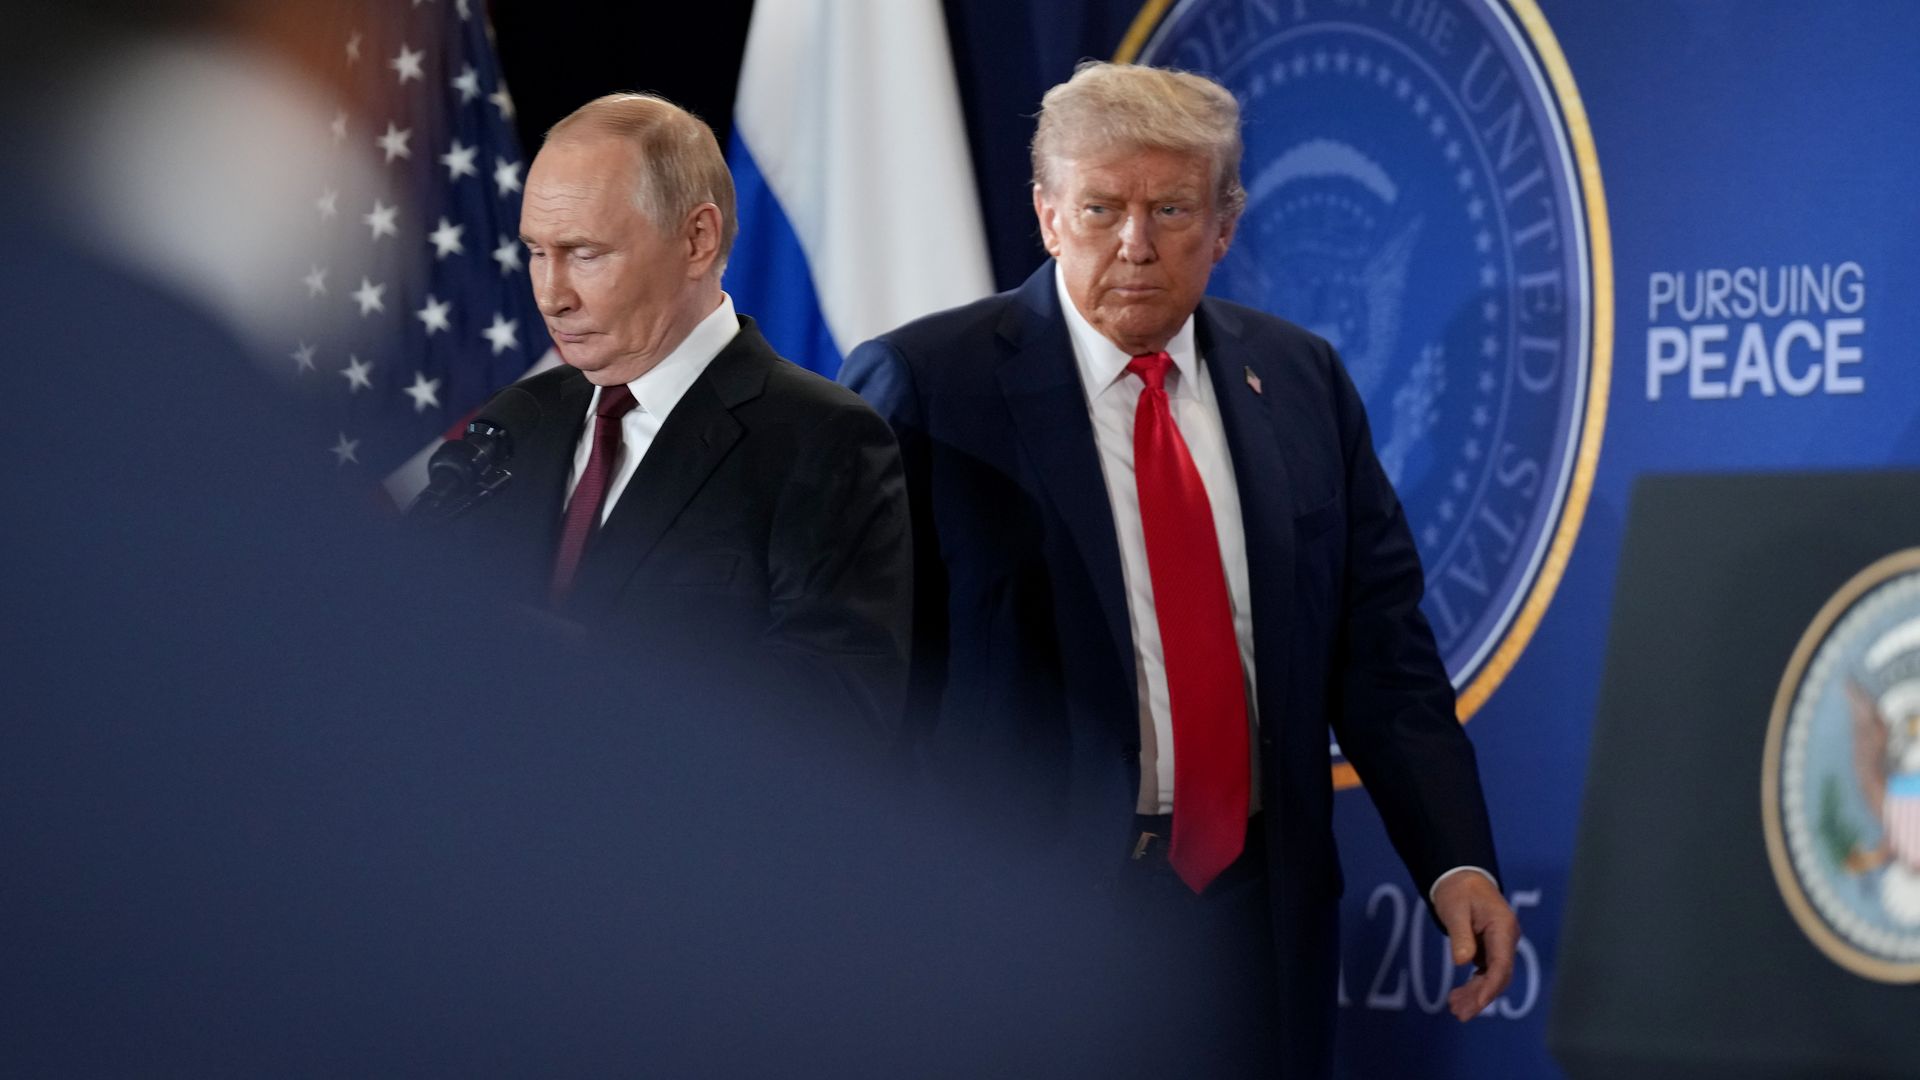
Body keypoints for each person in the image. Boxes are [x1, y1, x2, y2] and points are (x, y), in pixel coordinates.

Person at [841, 62, 1519, 1076]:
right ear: (1046, 213)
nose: (1135, 244)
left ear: (1227, 223)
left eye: (1170, 209)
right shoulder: (930, 389)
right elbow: (859, 688)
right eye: (1102, 208)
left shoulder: (1301, 381)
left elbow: (1381, 652)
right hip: (1017, 933)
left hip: (1254, 921)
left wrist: (1454, 856)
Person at [455, 93, 912, 742]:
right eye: (536, 251)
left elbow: (839, 711)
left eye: (585, 253)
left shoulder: (822, 439)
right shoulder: (519, 421)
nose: (552, 295)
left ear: (697, 240)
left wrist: (579, 665)